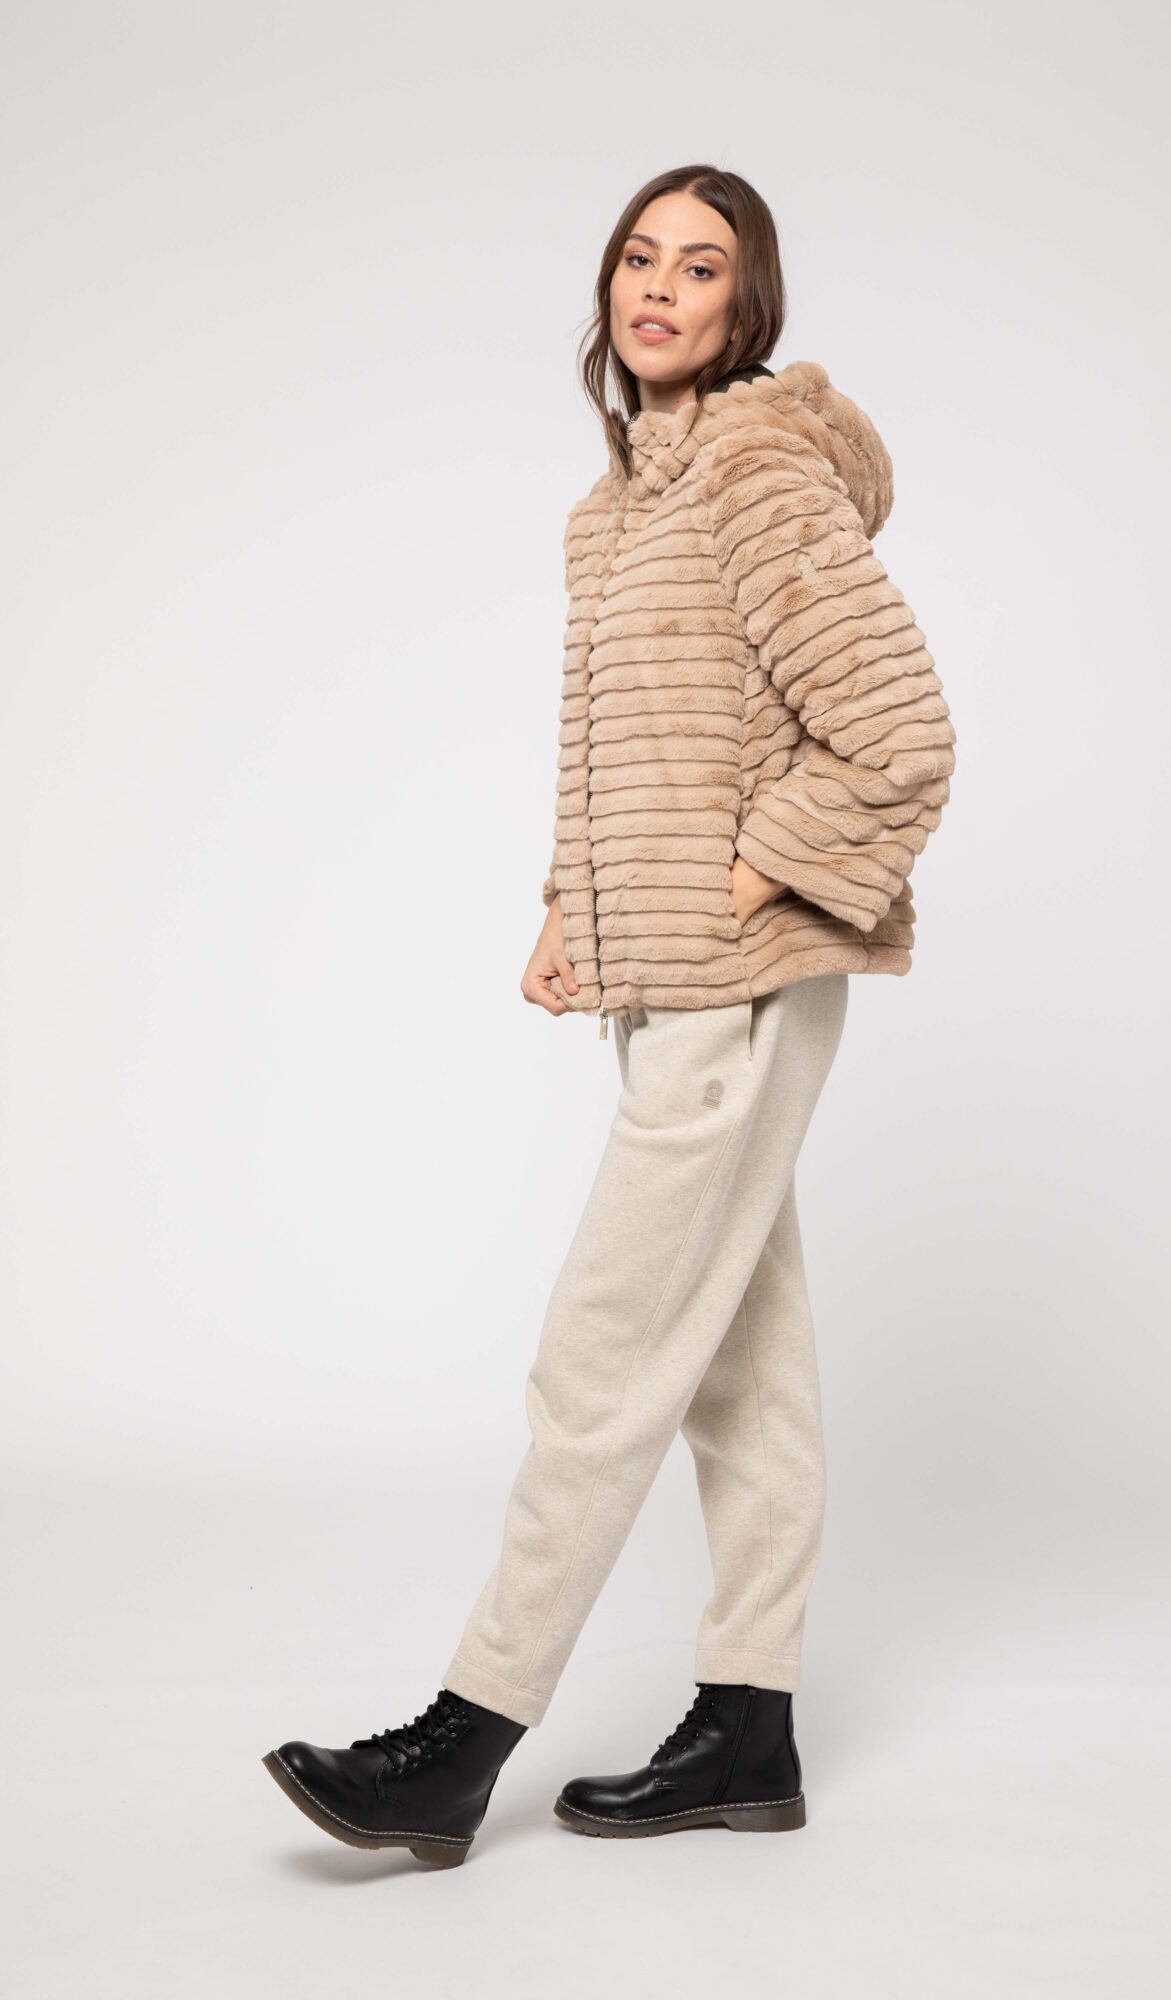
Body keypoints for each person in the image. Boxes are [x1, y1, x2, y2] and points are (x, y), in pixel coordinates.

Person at [262, 163, 955, 1867]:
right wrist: (568, 907)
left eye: (699, 267)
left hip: (738, 977)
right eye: (639, 257)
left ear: (746, 304)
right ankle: (749, 1729)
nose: (658, 287)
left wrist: (741, 882)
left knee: (603, 1352)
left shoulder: (757, 476)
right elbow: (644, 736)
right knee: (739, 1362)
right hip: (661, 978)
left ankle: (463, 1736)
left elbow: (898, 735)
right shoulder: (616, 508)